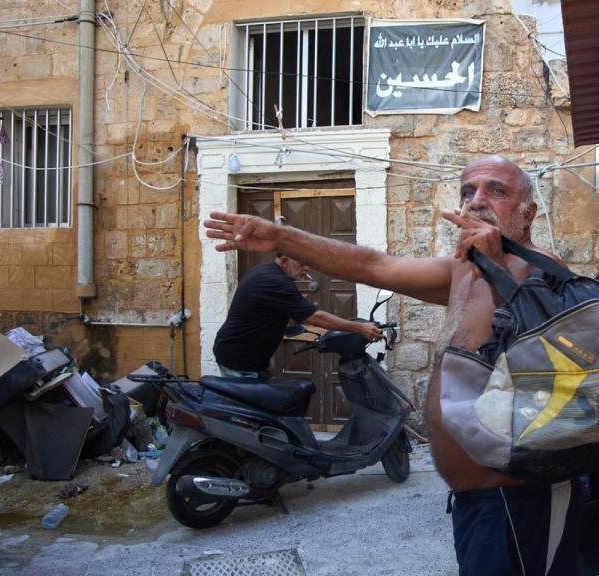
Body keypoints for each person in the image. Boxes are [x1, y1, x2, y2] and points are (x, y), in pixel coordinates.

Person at [204, 155, 580, 575]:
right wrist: (280, 237)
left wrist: (496, 266)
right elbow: (372, 265)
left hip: (523, 496)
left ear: (527, 214)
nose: (476, 201)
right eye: (467, 191)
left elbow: (564, 379)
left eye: (496, 190)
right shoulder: (461, 270)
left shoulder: (544, 273)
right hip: (477, 499)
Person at [213, 252, 383, 379]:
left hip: (251, 359)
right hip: (239, 361)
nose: (307, 268)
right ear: (285, 260)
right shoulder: (276, 281)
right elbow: (314, 317)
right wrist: (359, 327)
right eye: (302, 264)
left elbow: (263, 310)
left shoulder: (265, 271)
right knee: (250, 417)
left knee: (271, 410)